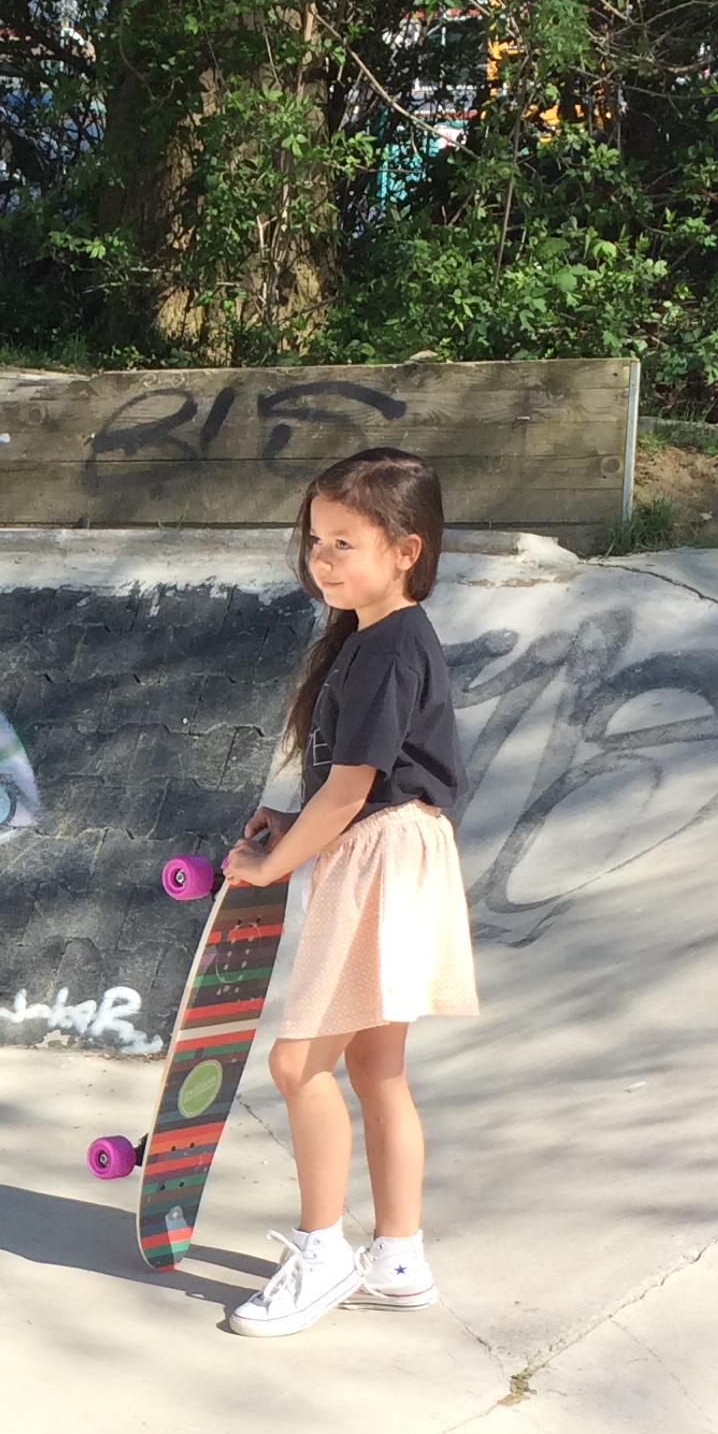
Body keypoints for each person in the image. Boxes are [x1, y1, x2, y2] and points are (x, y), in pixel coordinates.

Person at [218, 448, 478, 1339]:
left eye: (345, 543)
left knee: (297, 1066)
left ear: (407, 550)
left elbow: (352, 789)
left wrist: (273, 862)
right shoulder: (379, 639)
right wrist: (282, 819)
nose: (324, 560)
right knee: (375, 1067)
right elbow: (350, 780)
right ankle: (398, 1257)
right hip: (398, 853)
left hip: (379, 856)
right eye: (316, 541)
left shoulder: (385, 646)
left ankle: (322, 1251)